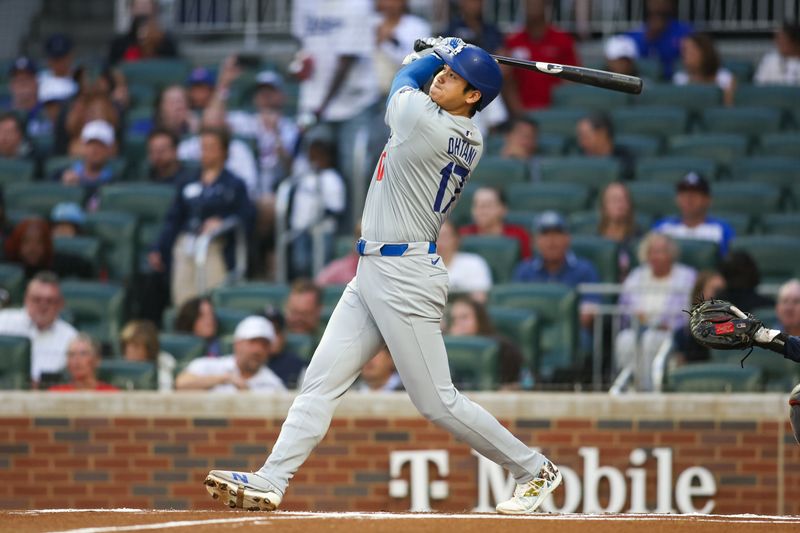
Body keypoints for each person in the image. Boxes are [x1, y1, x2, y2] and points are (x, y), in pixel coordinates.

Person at [204, 38, 561, 515]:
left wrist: (436, 50)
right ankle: (272, 478)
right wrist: (452, 54)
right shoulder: (468, 134)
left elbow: (402, 80)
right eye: (445, 70)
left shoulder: (425, 123)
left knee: (437, 401)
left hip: (406, 274)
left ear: (473, 96)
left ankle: (533, 468)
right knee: (320, 380)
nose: (442, 76)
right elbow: (419, 82)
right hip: (376, 268)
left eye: (454, 76)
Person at [149, 127, 255, 306]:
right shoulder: (188, 181)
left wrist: (222, 222)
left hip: (214, 244)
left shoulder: (234, 184)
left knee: (210, 298)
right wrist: (159, 247)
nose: (206, 152)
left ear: (224, 151)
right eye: (203, 147)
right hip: (185, 243)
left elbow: (247, 216)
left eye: (211, 147)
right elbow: (174, 218)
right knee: (183, 300)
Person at [290, 0, 380, 186]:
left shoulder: (356, 5)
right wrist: (301, 63)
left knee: (353, 169)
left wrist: (321, 107)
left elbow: (346, 60)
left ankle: (357, 215)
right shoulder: (303, 3)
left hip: (354, 103)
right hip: (315, 101)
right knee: (314, 170)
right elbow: (302, 41)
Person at [615, 232, 696, 391]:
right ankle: (630, 388)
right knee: (625, 340)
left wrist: (668, 325)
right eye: (652, 251)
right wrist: (636, 317)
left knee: (651, 340)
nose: (657, 256)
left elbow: (691, 310)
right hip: (638, 329)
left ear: (671, 254)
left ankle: (649, 390)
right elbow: (624, 308)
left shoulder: (687, 276)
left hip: (672, 332)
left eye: (662, 251)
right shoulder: (636, 276)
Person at [513, 210, 601, 331]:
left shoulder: (585, 269)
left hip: (574, 333)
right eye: (545, 234)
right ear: (535, 241)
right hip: (534, 332)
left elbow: (589, 312)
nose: (551, 241)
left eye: (557, 234)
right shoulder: (524, 270)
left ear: (567, 238)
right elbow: (517, 310)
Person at [275, 137, 346, 279]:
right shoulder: (303, 176)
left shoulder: (332, 178)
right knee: (300, 264)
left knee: (320, 267)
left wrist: (316, 219)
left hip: (321, 231)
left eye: (319, 155)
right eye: (312, 155)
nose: (315, 159)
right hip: (299, 229)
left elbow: (336, 209)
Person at [0, 271, 77, 386]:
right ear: (26, 299)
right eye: (37, 299)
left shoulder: (71, 337)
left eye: (49, 301)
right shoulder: (3, 321)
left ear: (60, 304)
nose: (43, 306)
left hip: (48, 397)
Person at [501, 0, 579, 112]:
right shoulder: (512, 42)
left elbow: (574, 78)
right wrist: (520, 114)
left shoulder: (563, 40)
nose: (533, 5)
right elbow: (507, 81)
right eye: (529, 2)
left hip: (556, 112)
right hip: (522, 114)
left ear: (546, 5)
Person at [175, 316, 285, 393]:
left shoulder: (273, 384)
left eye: (264, 345)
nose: (258, 350)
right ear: (237, 344)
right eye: (253, 342)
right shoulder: (210, 366)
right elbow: (181, 384)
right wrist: (225, 378)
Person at [177, 106, 259, 198]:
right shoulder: (188, 146)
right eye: (209, 123)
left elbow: (250, 184)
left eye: (217, 122)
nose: (213, 128)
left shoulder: (239, 148)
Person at [447, 295, 524, 389]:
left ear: (479, 318)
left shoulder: (502, 347)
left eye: (464, 317)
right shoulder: (448, 349)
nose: (458, 324)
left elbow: (521, 382)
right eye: (454, 319)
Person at [651, 171, 735, 257]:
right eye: (684, 194)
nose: (688, 199)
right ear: (677, 199)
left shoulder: (721, 230)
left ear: (708, 200)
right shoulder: (662, 228)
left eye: (695, 194)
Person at [373, 0, 431, 97]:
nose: (388, 4)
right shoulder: (371, 23)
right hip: (369, 94)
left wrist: (388, 42)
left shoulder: (418, 26)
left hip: (403, 93)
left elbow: (417, 63)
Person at [4, 217, 93, 280]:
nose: (32, 249)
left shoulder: (62, 264)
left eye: (39, 242)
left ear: (46, 245)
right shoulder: (6, 267)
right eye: (26, 242)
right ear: (17, 244)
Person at [56, 120, 119, 209]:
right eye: (91, 144)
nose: (95, 149)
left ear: (109, 150)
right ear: (83, 147)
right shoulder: (61, 174)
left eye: (101, 145)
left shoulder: (116, 181)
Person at [671, 270, 727, 366]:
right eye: (716, 290)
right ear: (699, 294)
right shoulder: (683, 334)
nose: (721, 295)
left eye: (724, 290)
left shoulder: (736, 327)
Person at [459, 186, 532, 260]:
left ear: (503, 209)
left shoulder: (519, 235)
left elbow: (526, 265)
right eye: (476, 205)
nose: (480, 210)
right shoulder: (462, 235)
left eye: (487, 205)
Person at [626, 0, 693, 80]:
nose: (659, 4)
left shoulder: (684, 32)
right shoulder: (636, 33)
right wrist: (648, 38)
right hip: (644, 82)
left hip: (677, 80)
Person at [437, 219, 492, 302]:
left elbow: (480, 299)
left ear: (457, 239)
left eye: (444, 236)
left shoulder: (474, 263)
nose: (439, 242)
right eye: (435, 237)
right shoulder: (418, 267)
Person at [673, 33, 735, 106]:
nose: (684, 55)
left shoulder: (725, 78)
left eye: (689, 50)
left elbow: (727, 109)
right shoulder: (679, 79)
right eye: (683, 51)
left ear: (703, 52)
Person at [597, 182, 642, 280]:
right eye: (614, 200)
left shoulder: (639, 237)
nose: (619, 204)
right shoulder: (594, 237)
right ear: (603, 206)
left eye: (623, 199)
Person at [575, 112, 635, 181]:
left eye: (585, 137)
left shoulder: (626, 160)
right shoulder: (579, 159)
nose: (580, 143)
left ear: (602, 134)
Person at [48, 334, 119, 392]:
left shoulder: (110, 393)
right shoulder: (56, 393)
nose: (76, 360)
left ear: (97, 360)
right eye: (72, 354)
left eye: (83, 354)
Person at [120, 319, 176, 391]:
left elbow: (166, 394)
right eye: (126, 346)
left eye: (136, 346)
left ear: (149, 349)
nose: (129, 351)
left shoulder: (163, 365)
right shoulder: (120, 370)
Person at [108, 8, 178, 65]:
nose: (143, 36)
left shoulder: (167, 50)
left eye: (150, 31)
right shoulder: (132, 52)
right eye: (141, 32)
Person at [262, 307, 307, 389]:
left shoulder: (297, 366)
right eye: (265, 331)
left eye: (276, 330)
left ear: (284, 334)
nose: (271, 336)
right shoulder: (238, 365)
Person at [755, 21, 800, 86]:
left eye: (782, 40)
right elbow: (758, 86)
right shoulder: (770, 60)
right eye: (777, 39)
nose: (778, 43)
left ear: (795, 42)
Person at [39, 33, 78, 100]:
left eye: (62, 57)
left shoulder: (79, 80)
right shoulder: (39, 80)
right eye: (55, 58)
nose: (59, 62)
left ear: (71, 56)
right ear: (49, 59)